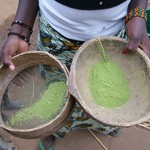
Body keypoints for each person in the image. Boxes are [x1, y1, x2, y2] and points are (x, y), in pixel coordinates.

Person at [0, 0, 150, 149]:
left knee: (104, 107)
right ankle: (55, 129)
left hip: (112, 45)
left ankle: (106, 126)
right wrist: (20, 30)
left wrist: (137, 13)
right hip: (57, 41)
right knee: (58, 95)